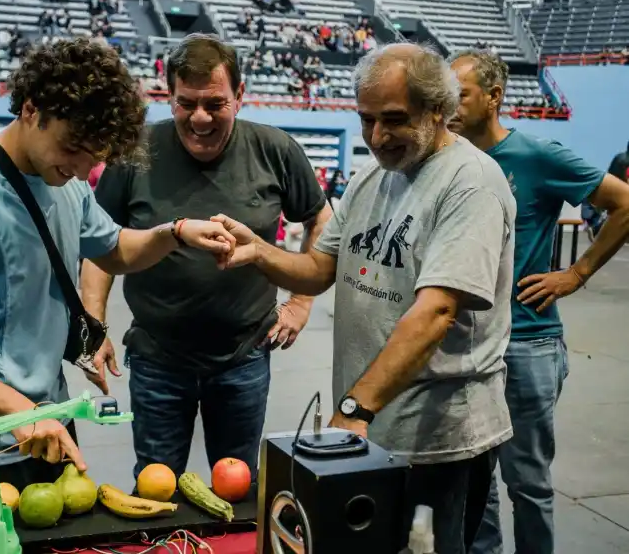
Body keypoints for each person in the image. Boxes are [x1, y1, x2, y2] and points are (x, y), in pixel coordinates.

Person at [0, 39, 237, 521]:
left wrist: (175, 233)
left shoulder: (66, 185)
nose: (80, 168)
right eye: (72, 148)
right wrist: (18, 411)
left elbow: (114, 248)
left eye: (94, 157)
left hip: (48, 433)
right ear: (32, 108)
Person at [212, 43, 515, 554]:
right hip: (371, 429)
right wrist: (260, 251)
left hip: (436, 439)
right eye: (366, 119)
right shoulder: (372, 177)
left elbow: (437, 309)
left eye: (394, 119)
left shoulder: (471, 183)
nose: (377, 136)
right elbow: (318, 269)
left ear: (438, 109)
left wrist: (356, 405)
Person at [80, 33, 331, 480]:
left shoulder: (275, 150)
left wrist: (301, 302)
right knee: (155, 484)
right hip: (158, 357)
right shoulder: (135, 154)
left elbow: (319, 218)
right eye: (185, 103)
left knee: (237, 482)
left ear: (239, 95)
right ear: (169, 95)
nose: (199, 117)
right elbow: (101, 245)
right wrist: (94, 325)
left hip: (245, 355)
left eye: (214, 103)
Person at [449, 50, 629, 554]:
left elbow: (624, 204)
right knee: (473, 488)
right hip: (464, 348)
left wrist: (576, 273)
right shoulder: (447, 162)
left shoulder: (536, 156)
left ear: (493, 97)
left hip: (526, 345)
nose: (449, 107)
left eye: (459, 95)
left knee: (527, 484)